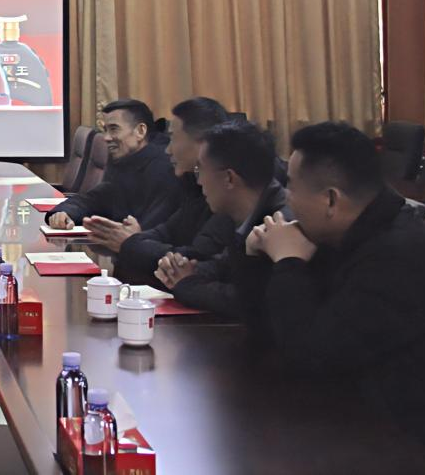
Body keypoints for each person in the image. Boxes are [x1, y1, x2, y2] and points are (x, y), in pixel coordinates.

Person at [239, 122, 425, 459]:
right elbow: (269, 334)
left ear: (331, 200)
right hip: (354, 411)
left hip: (411, 441)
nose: (287, 199)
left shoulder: (395, 255)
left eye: (291, 187)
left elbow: (310, 356)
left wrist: (289, 262)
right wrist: (257, 258)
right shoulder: (347, 232)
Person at [153, 121, 287, 317]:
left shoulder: (280, 223)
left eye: (200, 170)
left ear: (229, 178)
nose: (199, 181)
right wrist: (184, 270)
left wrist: (188, 284)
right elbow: (224, 266)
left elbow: (248, 301)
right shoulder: (238, 213)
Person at [102, 97, 233, 276]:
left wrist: (131, 243)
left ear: (201, 143)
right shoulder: (191, 183)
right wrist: (133, 240)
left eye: (173, 139)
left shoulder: (226, 192)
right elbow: (166, 231)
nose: (167, 149)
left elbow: (196, 258)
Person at [47, 99, 180, 230]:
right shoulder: (125, 160)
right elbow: (95, 199)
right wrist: (64, 213)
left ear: (140, 131)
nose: (106, 137)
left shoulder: (167, 169)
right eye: (105, 130)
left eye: (114, 129)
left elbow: (156, 232)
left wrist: (132, 237)